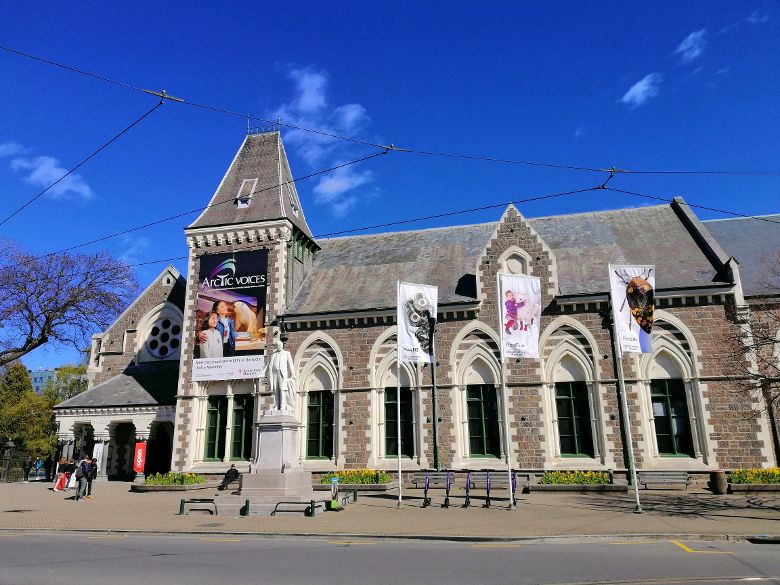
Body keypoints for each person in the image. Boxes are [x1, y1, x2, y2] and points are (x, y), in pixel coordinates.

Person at [262, 339, 297, 412]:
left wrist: (293, 374)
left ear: (282, 346)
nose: (279, 347)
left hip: (282, 374)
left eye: (281, 345)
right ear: (276, 346)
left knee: (282, 389)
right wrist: (263, 372)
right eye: (278, 346)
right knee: (276, 389)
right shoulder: (273, 354)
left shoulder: (286, 353)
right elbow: (269, 365)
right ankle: (277, 404)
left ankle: (283, 405)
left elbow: (290, 364)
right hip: (275, 374)